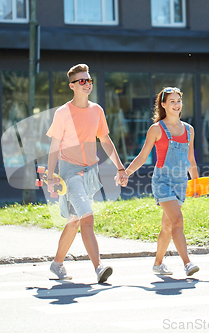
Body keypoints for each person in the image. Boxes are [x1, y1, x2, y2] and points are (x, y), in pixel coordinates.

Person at [46, 64, 128, 283]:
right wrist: (50, 176)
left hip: (91, 172)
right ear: (72, 85)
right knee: (87, 217)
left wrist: (120, 167)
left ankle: (57, 264)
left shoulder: (97, 110)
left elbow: (105, 140)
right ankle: (99, 267)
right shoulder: (62, 113)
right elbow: (54, 146)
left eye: (89, 80)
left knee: (74, 220)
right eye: (82, 81)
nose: (87, 84)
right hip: (70, 172)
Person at [123, 87, 200, 276]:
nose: (176, 105)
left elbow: (191, 160)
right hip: (163, 181)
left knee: (168, 225)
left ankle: (158, 264)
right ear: (163, 105)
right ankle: (187, 263)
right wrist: (126, 173)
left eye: (178, 101)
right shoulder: (157, 129)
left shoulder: (189, 130)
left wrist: (196, 183)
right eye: (172, 101)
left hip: (181, 182)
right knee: (177, 220)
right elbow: (142, 157)